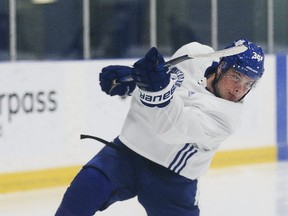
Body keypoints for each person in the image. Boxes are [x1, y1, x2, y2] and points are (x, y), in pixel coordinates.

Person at [55, 38, 265, 216]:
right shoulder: (194, 55)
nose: (239, 89)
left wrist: (152, 88)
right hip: (128, 152)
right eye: (236, 77)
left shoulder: (226, 119)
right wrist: (134, 82)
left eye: (249, 84)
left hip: (172, 181)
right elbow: (163, 83)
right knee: (81, 194)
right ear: (221, 67)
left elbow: (170, 127)